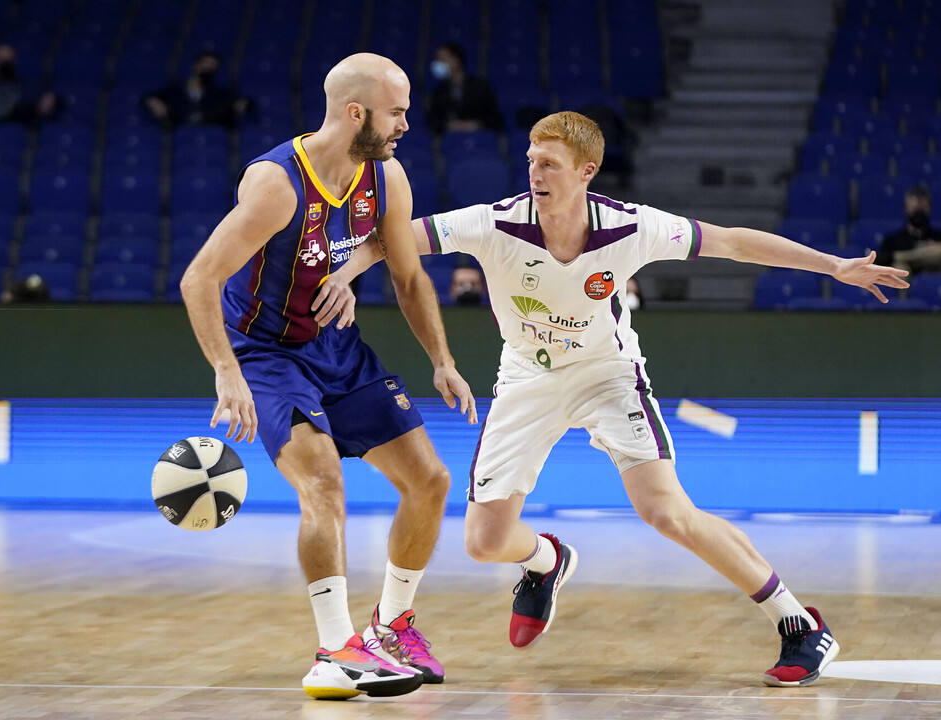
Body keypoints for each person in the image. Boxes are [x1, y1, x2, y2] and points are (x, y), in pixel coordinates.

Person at [327, 111, 910, 687]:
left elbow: (730, 242)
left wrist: (832, 265)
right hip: (528, 377)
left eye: (549, 163)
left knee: (667, 512)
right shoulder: (493, 223)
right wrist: (343, 275)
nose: (535, 172)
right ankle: (545, 562)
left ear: (587, 171)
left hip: (608, 374)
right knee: (483, 542)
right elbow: (393, 238)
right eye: (531, 160)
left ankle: (800, 624)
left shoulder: (631, 226)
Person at [179, 53, 477, 700]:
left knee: (429, 481)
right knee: (324, 483)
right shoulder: (277, 184)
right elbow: (198, 277)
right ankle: (334, 651)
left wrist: (443, 361)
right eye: (395, 111)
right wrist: (226, 372)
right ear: (355, 112)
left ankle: (390, 627)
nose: (405, 124)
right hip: (265, 353)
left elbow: (407, 276)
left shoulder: (386, 177)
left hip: (336, 347)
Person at [143, 51, 250, 128]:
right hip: (177, 131)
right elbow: (149, 97)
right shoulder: (176, 90)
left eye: (213, 65)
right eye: (206, 64)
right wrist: (153, 102)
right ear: (195, 65)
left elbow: (241, 102)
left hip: (210, 132)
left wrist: (242, 104)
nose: (209, 68)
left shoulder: (220, 93)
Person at [875, 185, 941, 274]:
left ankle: (899, 257)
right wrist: (928, 252)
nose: (919, 210)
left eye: (922, 208)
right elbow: (880, 261)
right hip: (906, 281)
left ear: (930, 208)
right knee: (900, 269)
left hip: (935, 279)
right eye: (915, 209)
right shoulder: (893, 240)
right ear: (905, 209)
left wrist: (897, 257)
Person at [425, 43, 503, 135]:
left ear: (456, 60)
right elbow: (432, 121)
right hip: (450, 142)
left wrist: (474, 124)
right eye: (437, 59)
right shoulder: (439, 91)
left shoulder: (481, 87)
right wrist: (449, 125)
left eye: (443, 59)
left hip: (480, 139)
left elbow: (495, 118)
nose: (438, 63)